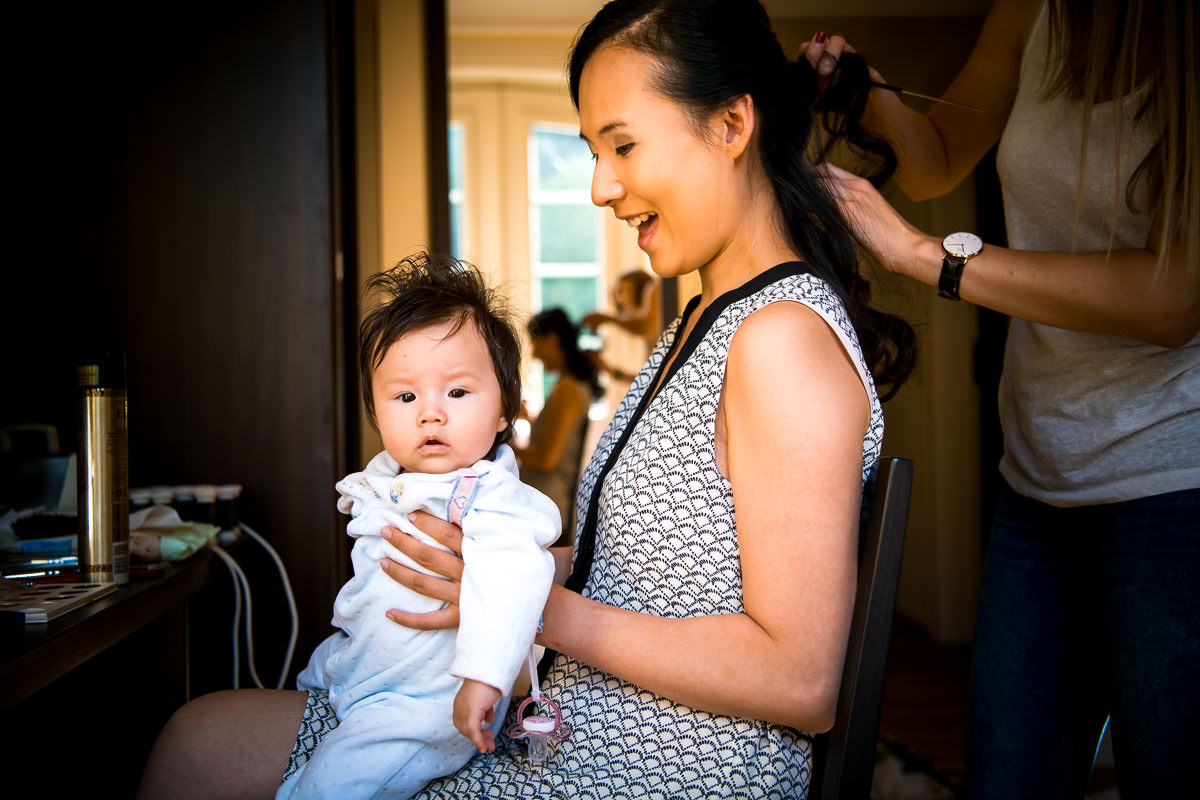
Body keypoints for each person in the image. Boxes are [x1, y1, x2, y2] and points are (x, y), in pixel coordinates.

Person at [135, 1, 916, 797]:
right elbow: (661, 573)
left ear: (730, 125)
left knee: (201, 750)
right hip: (572, 720)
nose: (601, 187)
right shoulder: (704, 323)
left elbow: (801, 682)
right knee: (199, 740)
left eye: (623, 145)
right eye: (593, 152)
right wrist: (488, 562)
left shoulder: (779, 337)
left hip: (646, 767)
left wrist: (522, 601)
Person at [801, 1, 1199, 798]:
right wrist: (876, 97)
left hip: (1172, 494)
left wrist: (924, 257)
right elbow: (941, 159)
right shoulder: (1032, 13)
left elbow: (1174, 299)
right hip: (1036, 485)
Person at [140, 253, 562, 800]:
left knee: (325, 788)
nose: (430, 413)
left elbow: (514, 582)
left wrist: (484, 677)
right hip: (359, 667)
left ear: (505, 409)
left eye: (456, 393)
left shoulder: (490, 496)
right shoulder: (389, 476)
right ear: (376, 411)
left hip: (424, 703)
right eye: (405, 396)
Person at [512, 308, 603, 546]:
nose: (535, 353)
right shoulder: (569, 386)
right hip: (547, 505)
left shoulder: (568, 390)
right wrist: (530, 421)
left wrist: (504, 446)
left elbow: (547, 459)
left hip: (547, 508)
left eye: (536, 343)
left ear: (552, 339)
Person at [583, 268, 662, 385]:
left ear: (636, 279)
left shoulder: (654, 288)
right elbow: (648, 382)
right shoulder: (650, 339)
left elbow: (645, 326)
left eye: (620, 291)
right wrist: (609, 370)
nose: (620, 302)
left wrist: (606, 318)